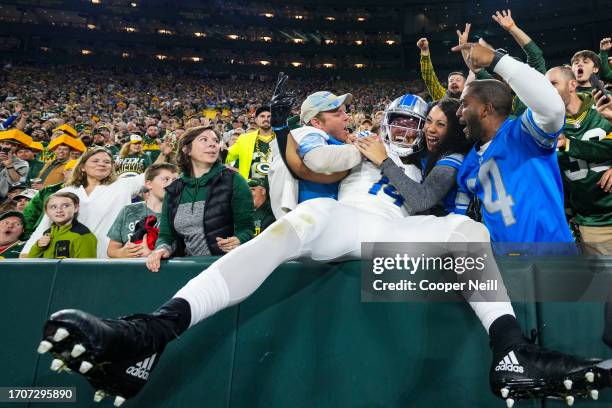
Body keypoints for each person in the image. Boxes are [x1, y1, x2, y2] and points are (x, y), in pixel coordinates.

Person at [39, 90, 607, 408]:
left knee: (468, 235)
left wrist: (385, 154)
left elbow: (422, 200)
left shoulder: (447, 162)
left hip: (404, 232)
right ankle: (152, 335)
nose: (418, 130)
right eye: (409, 122)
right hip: (348, 221)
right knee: (305, 220)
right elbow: (303, 160)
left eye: (427, 122)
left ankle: (510, 354)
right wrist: (321, 138)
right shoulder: (349, 149)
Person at [453, 41, 573, 243]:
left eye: (464, 105)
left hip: (552, 261)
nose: (458, 113)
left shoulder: (524, 135)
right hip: (504, 266)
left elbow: (553, 110)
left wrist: (495, 59)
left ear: (486, 109)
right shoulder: (468, 164)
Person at [145, 126, 254, 271]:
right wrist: (161, 249)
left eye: (215, 140)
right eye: (204, 140)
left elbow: (246, 229)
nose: (212, 144)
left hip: (227, 268)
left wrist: (239, 240)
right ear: (186, 149)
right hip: (187, 270)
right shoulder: (174, 189)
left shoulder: (234, 181)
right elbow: (166, 235)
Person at [21, 147, 145, 258]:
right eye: (95, 161)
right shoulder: (65, 191)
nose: (102, 164)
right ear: (82, 167)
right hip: (70, 258)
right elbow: (45, 225)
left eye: (107, 162)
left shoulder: (124, 185)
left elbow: (156, 175)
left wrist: (164, 154)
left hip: (110, 257)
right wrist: (26, 253)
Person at [356, 97, 472, 216]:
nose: (431, 129)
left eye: (441, 124)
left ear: (454, 130)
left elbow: (423, 200)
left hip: (452, 225)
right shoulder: (430, 150)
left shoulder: (455, 158)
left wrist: (384, 161)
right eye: (429, 120)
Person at [546, 66, 612, 254]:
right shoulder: (545, 125)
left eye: (553, 84)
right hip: (592, 222)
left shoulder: (603, 105)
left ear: (572, 85)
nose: (546, 90)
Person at [107, 163, 178, 258]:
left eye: (175, 180)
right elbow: (112, 249)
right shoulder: (128, 210)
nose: (171, 184)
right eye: (166, 179)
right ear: (149, 184)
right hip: (130, 270)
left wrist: (151, 254)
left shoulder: (181, 212)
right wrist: (121, 253)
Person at [27, 192, 97, 259]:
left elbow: (87, 268)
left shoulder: (82, 235)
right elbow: (31, 264)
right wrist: (38, 247)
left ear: (76, 208)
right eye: (53, 207)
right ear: (46, 212)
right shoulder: (47, 233)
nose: (59, 210)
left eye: (65, 206)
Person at [22, 160, 77, 240]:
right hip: (40, 234)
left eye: (77, 171)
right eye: (71, 170)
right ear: (64, 173)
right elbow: (31, 213)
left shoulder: (86, 193)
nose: (74, 174)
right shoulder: (48, 190)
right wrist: (28, 235)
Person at [225, 106, 275, 181]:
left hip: (277, 186)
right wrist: (218, 149)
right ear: (256, 120)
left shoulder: (282, 138)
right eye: (262, 116)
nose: (266, 119)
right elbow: (227, 156)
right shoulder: (244, 139)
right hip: (250, 187)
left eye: (269, 116)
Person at [0, 130, 30, 200]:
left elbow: (19, 181)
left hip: (4, 198)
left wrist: (9, 165)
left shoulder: (22, 163)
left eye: (13, 145)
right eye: (6, 143)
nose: (9, 146)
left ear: (17, 148)